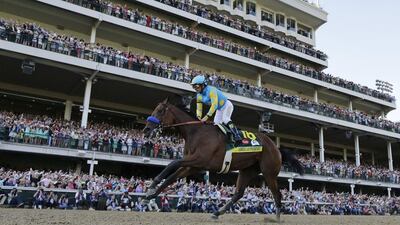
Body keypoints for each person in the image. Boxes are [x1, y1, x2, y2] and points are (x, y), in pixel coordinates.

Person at [191, 75, 241, 144]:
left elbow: (214, 105)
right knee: (216, 124)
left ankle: (237, 135)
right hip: (219, 109)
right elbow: (199, 108)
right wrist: (198, 117)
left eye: (196, 86)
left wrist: (206, 117)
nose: (195, 89)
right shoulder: (198, 95)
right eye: (193, 87)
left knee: (225, 119)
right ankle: (226, 138)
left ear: (203, 85)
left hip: (227, 105)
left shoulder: (212, 90)